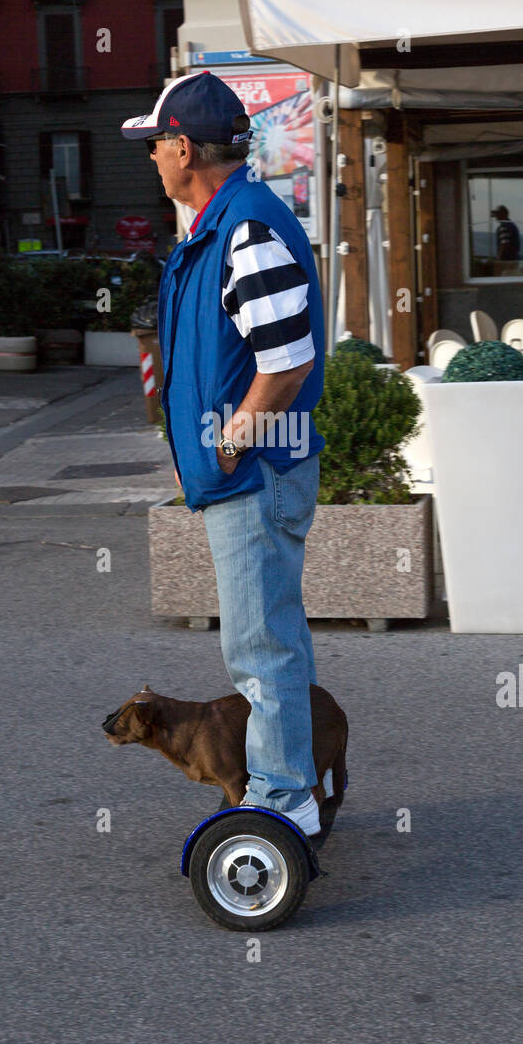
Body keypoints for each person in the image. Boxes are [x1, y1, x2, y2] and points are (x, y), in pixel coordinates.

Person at [121, 72, 326, 835]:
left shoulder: (243, 228)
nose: (151, 160)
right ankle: (292, 786)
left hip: (258, 474)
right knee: (268, 640)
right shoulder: (223, 221)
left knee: (259, 647)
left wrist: (233, 441)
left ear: (183, 146)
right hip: (252, 473)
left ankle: (282, 801)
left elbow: (288, 360)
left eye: (155, 145)